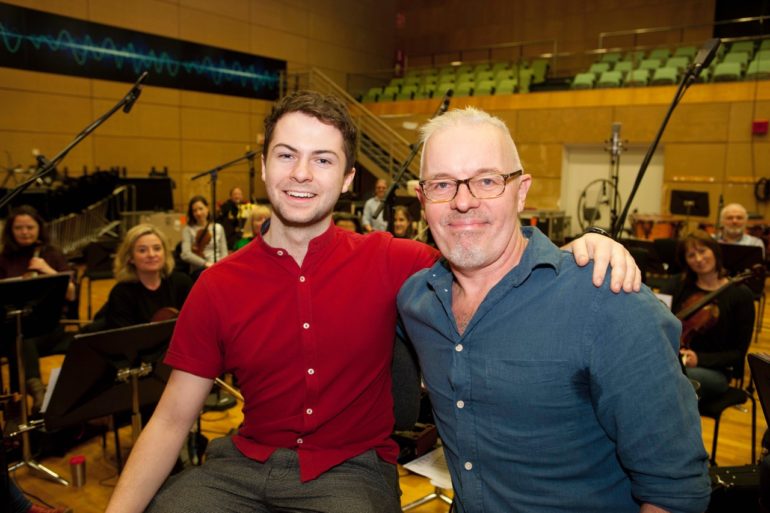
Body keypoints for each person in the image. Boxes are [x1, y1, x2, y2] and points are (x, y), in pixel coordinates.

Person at [104, 91, 640, 513]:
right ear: (263, 167)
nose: (301, 174)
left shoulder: (394, 259)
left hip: (351, 472)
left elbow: (489, 248)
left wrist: (582, 246)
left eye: (323, 159)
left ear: (348, 180)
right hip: (239, 467)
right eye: (286, 155)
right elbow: (172, 420)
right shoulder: (217, 284)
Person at [397, 107, 710, 513]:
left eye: (487, 180)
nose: (463, 202)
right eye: (442, 185)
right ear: (423, 199)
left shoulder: (609, 302)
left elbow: (675, 493)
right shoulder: (416, 302)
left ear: (522, 190)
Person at [0, 205, 75, 410]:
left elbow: (71, 293)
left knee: (19, 339)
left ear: (39, 228)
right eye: (19, 228)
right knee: (19, 336)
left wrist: (47, 270)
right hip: (14, 329)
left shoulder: (51, 253)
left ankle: (17, 409)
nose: (25, 232)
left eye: (30, 227)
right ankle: (35, 391)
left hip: (50, 329)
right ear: (11, 230)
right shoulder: (4, 258)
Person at [673, 230, 755, 401]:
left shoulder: (740, 295)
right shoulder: (681, 287)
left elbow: (737, 354)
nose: (698, 259)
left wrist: (699, 359)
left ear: (714, 251)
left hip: (716, 372)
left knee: (673, 379)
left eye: (702, 251)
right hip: (677, 361)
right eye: (691, 255)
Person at [96, 224, 193, 329]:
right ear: (130, 258)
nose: (151, 255)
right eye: (142, 250)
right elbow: (124, 340)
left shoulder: (182, 283)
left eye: (157, 248)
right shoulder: (121, 293)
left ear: (165, 253)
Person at [180, 195, 228, 275]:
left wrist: (220, 266)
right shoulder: (188, 230)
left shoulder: (218, 228)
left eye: (200, 209)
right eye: (194, 211)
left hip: (218, 267)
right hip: (200, 269)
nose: (198, 213)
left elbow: (224, 252)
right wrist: (205, 264)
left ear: (207, 208)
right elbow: (185, 254)